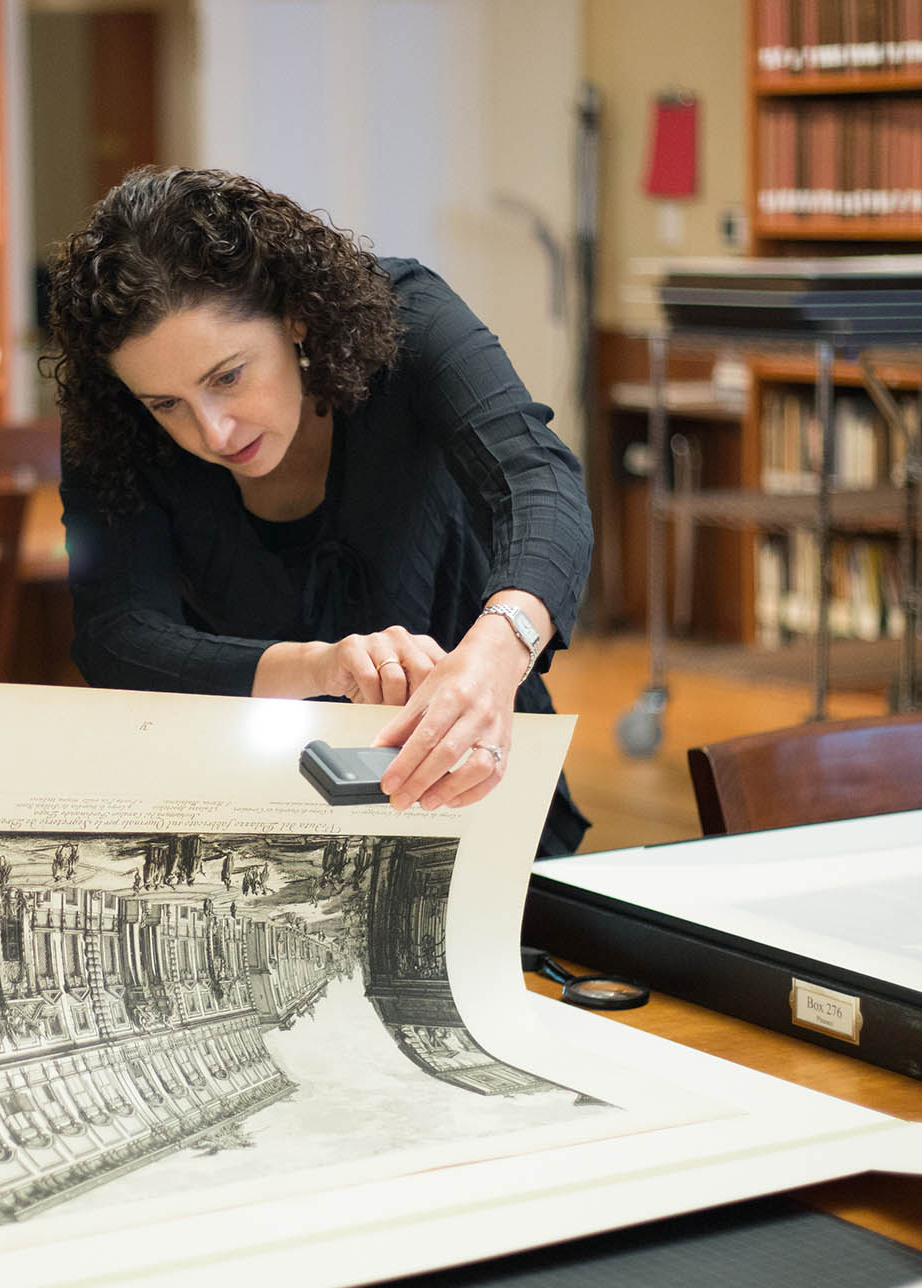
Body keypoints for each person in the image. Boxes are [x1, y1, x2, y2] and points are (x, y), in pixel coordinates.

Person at [46, 168, 592, 857]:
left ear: (296, 317)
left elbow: (537, 480)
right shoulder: (113, 414)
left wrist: (494, 654)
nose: (213, 432)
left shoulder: (410, 320)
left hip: (469, 771)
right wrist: (322, 668)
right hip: (252, 801)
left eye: (228, 376)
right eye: (168, 405)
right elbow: (117, 633)